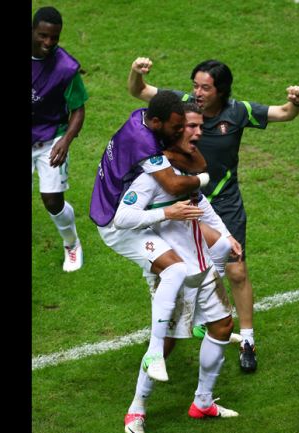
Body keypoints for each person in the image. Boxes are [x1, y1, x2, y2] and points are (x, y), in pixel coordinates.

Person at [128, 57, 299, 372]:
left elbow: (284, 113)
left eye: (205, 87)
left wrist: (297, 102)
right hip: (183, 201)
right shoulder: (182, 104)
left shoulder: (238, 112)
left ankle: (248, 341)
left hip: (223, 203)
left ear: (221, 91)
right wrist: (136, 73)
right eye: (195, 84)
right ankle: (167, 335)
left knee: (236, 271)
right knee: (173, 272)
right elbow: (139, 91)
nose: (197, 92)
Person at [114, 107, 243, 433]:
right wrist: (165, 214)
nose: (199, 133)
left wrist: (226, 235)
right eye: (191, 127)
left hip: (203, 268)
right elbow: (123, 217)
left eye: (201, 126)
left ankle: (202, 401)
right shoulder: (152, 177)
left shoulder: (184, 171)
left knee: (222, 325)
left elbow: (203, 205)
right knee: (167, 344)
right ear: (174, 132)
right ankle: (136, 410)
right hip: (176, 273)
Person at [90, 91, 211, 382]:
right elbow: (174, 184)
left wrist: (176, 154)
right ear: (156, 122)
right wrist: (201, 183)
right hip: (117, 224)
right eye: (177, 128)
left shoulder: (140, 117)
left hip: (126, 210)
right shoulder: (144, 142)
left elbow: (196, 163)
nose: (183, 132)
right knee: (176, 268)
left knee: (177, 266)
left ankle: (194, 321)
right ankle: (155, 352)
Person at [31, 6, 88, 272]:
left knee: (52, 201)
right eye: (43, 36)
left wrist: (65, 141)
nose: (49, 43)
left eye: (54, 37)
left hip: (51, 137)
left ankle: (72, 244)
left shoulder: (66, 67)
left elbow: (78, 109)